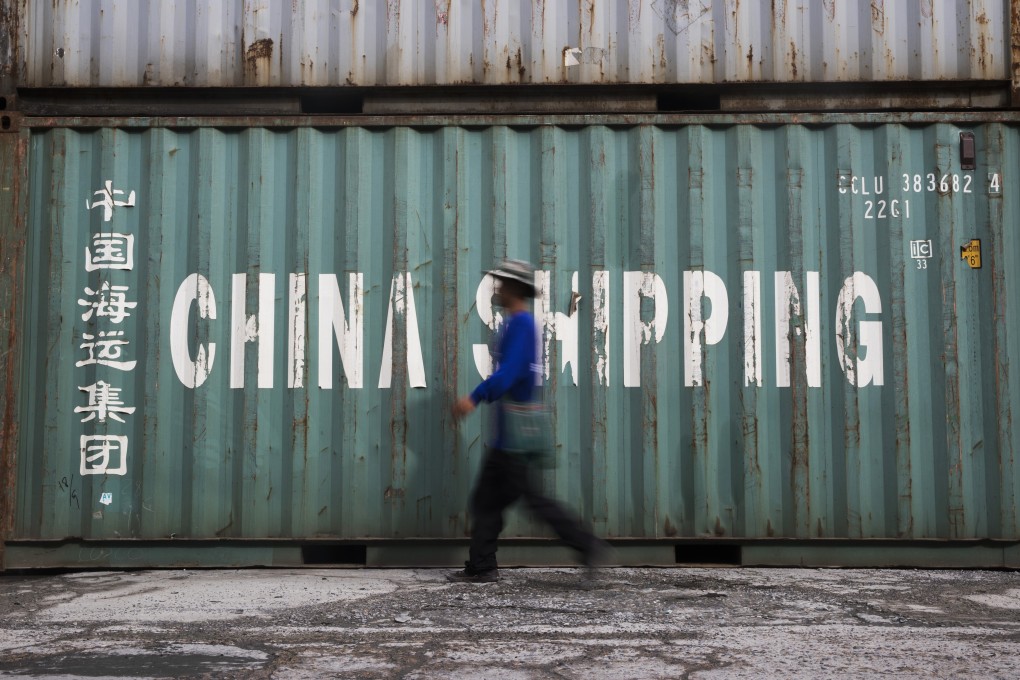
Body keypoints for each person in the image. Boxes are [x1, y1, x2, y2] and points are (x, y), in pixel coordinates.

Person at [449, 259, 606, 583]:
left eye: (502, 283)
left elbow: (510, 374)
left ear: (515, 289)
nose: (497, 287)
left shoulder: (521, 325)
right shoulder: (515, 324)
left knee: (527, 501)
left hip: (515, 437)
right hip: (509, 433)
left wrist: (475, 397)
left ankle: (585, 545)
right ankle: (482, 565)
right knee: (488, 500)